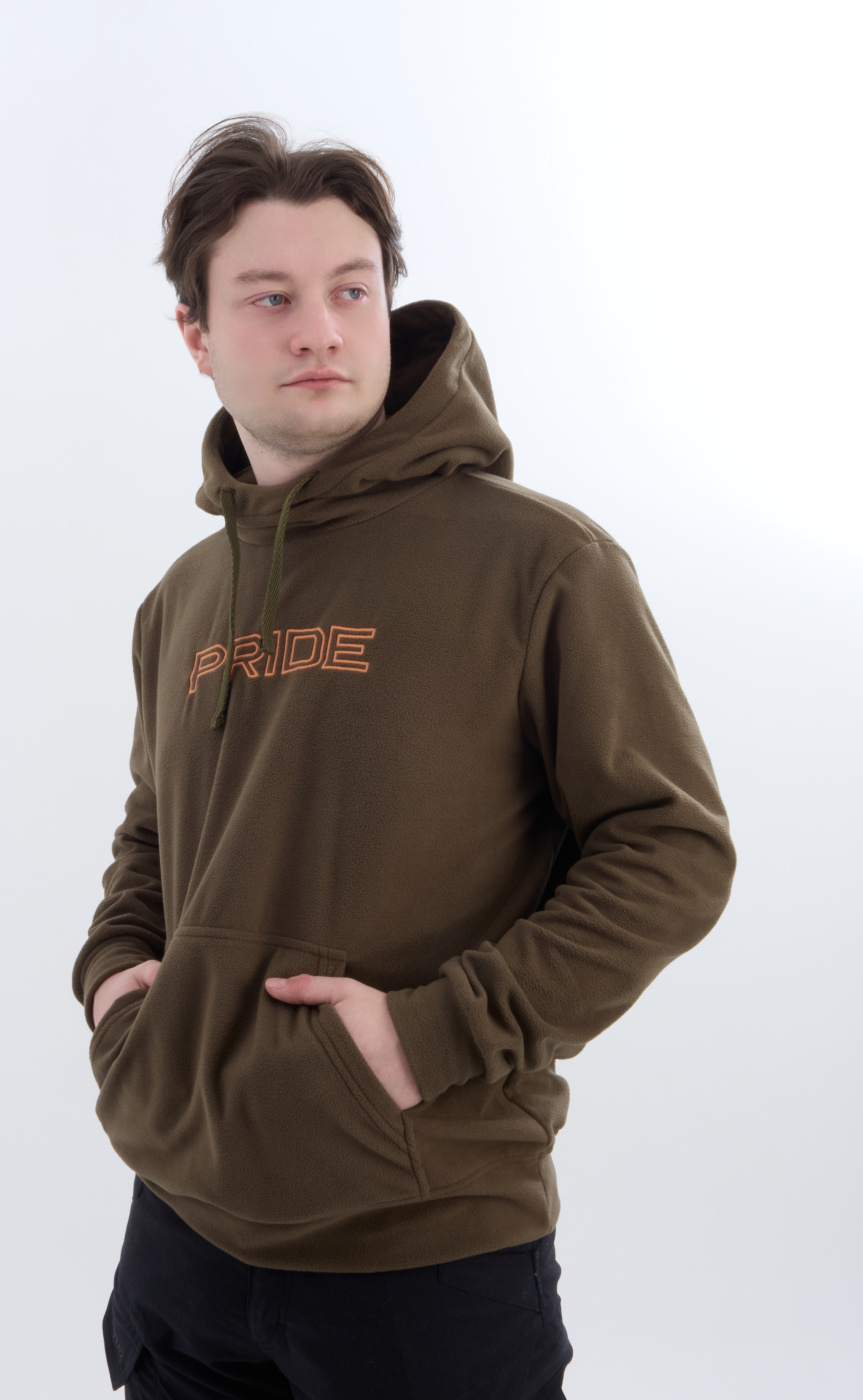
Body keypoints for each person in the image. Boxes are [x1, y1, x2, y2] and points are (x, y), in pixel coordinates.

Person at [72, 114, 737, 1400]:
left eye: (350, 289)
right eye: (270, 297)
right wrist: (113, 987)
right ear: (197, 336)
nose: (318, 330)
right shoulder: (181, 598)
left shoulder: (539, 562)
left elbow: (670, 847)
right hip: (180, 1233)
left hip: (424, 1244)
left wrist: (433, 1033)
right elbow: (156, 829)